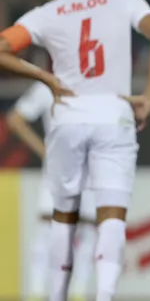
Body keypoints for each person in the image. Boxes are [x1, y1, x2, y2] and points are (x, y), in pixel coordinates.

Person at [0, 0, 150, 301]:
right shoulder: (122, 0)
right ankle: (104, 296)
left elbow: (2, 47)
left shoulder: (44, 13)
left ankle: (55, 297)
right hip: (115, 115)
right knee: (111, 216)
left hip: (69, 118)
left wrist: (45, 78)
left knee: (61, 218)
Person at [6, 81, 97, 301]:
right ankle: (37, 292)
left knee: (87, 230)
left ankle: (79, 294)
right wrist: (45, 151)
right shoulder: (47, 85)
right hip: (58, 170)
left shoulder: (99, 86)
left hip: (91, 169)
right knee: (48, 228)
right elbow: (15, 119)